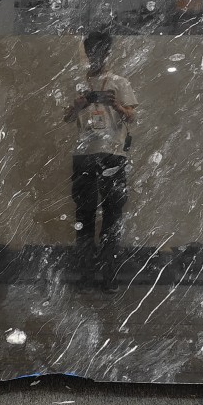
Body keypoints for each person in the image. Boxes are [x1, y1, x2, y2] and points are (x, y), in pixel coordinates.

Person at [63, 31, 137, 292]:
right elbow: (67, 118)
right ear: (86, 52)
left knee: (112, 215)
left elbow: (131, 117)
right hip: (84, 155)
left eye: (99, 51)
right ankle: (85, 276)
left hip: (113, 153)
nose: (94, 56)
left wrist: (116, 105)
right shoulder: (78, 84)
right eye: (90, 51)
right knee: (83, 215)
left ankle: (109, 276)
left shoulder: (119, 82)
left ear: (107, 53)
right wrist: (79, 105)